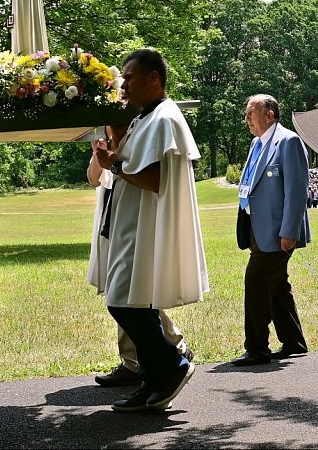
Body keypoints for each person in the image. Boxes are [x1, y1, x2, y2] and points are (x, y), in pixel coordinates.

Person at [91, 49, 208, 412]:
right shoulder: (147, 117)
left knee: (125, 304)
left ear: (153, 78)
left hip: (144, 226)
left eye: (128, 76)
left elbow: (154, 179)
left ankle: (172, 365)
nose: (122, 84)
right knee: (128, 303)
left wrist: (117, 165)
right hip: (131, 223)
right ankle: (153, 378)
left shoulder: (163, 119)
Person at [86, 125, 193, 387]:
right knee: (122, 292)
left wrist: (116, 161)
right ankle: (138, 360)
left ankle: (163, 351)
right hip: (111, 219)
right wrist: (100, 154)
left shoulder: (133, 144)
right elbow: (93, 178)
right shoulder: (109, 145)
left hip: (131, 221)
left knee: (130, 294)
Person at [230, 94, 311, 366]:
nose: (246, 118)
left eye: (251, 113)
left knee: (256, 282)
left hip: (278, 231)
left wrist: (289, 231)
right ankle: (293, 342)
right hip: (255, 227)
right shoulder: (256, 143)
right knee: (276, 285)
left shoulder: (288, 141)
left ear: (270, 115)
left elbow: (297, 191)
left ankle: (256, 348)